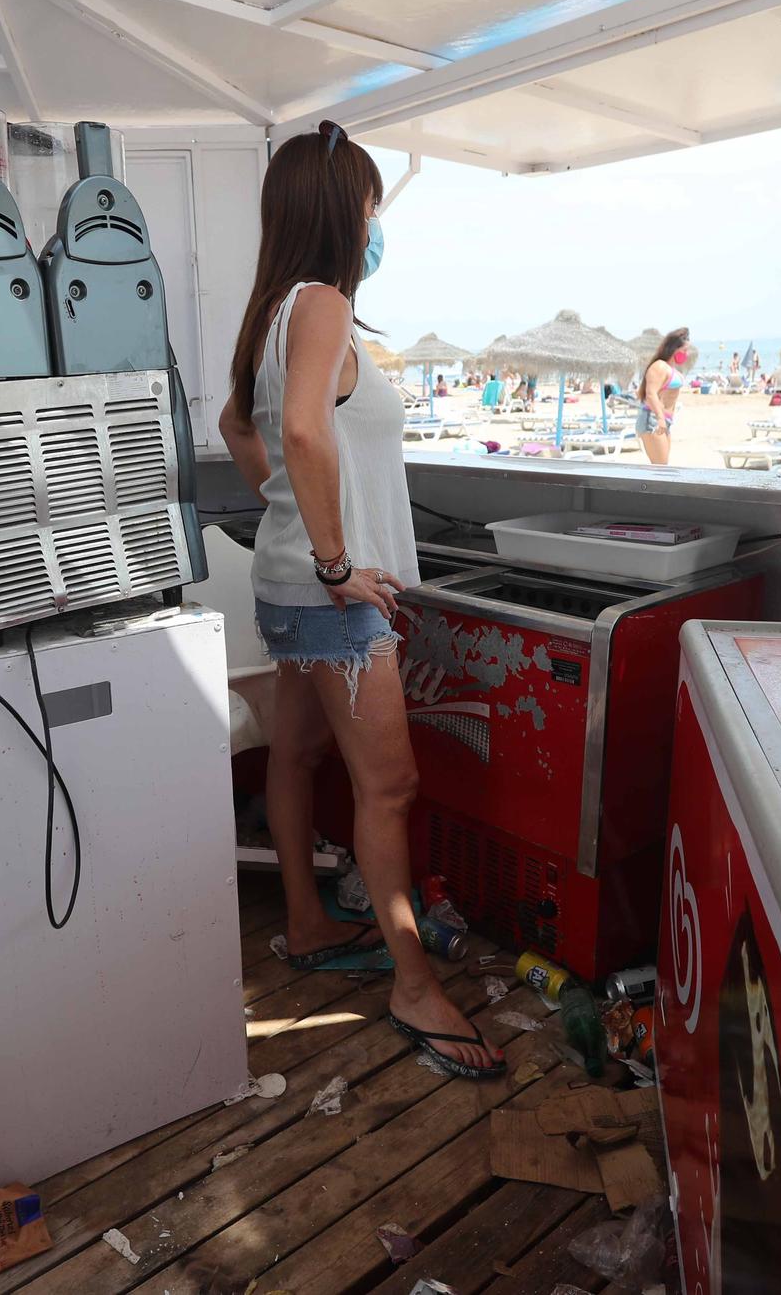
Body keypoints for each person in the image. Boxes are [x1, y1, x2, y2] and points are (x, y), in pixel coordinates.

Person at [215, 121, 502, 1079]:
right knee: (392, 787)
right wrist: (336, 560)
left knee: (294, 754)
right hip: (330, 597)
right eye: (373, 205)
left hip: (286, 583)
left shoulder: (275, 309)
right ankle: (414, 985)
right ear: (345, 212)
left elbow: (239, 424)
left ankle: (305, 922)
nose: (378, 223)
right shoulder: (326, 303)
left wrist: (290, 523)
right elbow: (300, 428)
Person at [638, 328, 692, 465]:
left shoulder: (671, 368)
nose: (686, 354)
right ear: (674, 348)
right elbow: (650, 394)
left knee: (662, 468)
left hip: (664, 421)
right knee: (661, 469)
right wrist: (660, 418)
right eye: (684, 350)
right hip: (653, 419)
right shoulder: (659, 366)